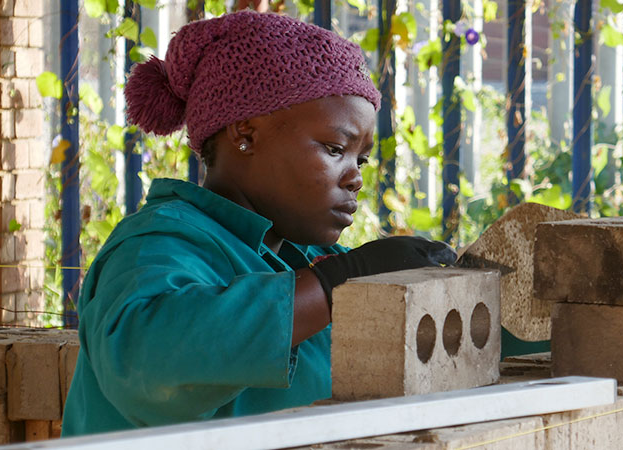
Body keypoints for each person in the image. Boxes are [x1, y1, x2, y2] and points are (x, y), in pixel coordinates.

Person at [61, 10, 456, 436]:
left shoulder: (304, 261)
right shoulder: (155, 247)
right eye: (334, 148)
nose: (356, 177)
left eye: (360, 159)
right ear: (245, 131)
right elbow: (145, 363)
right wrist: (336, 284)